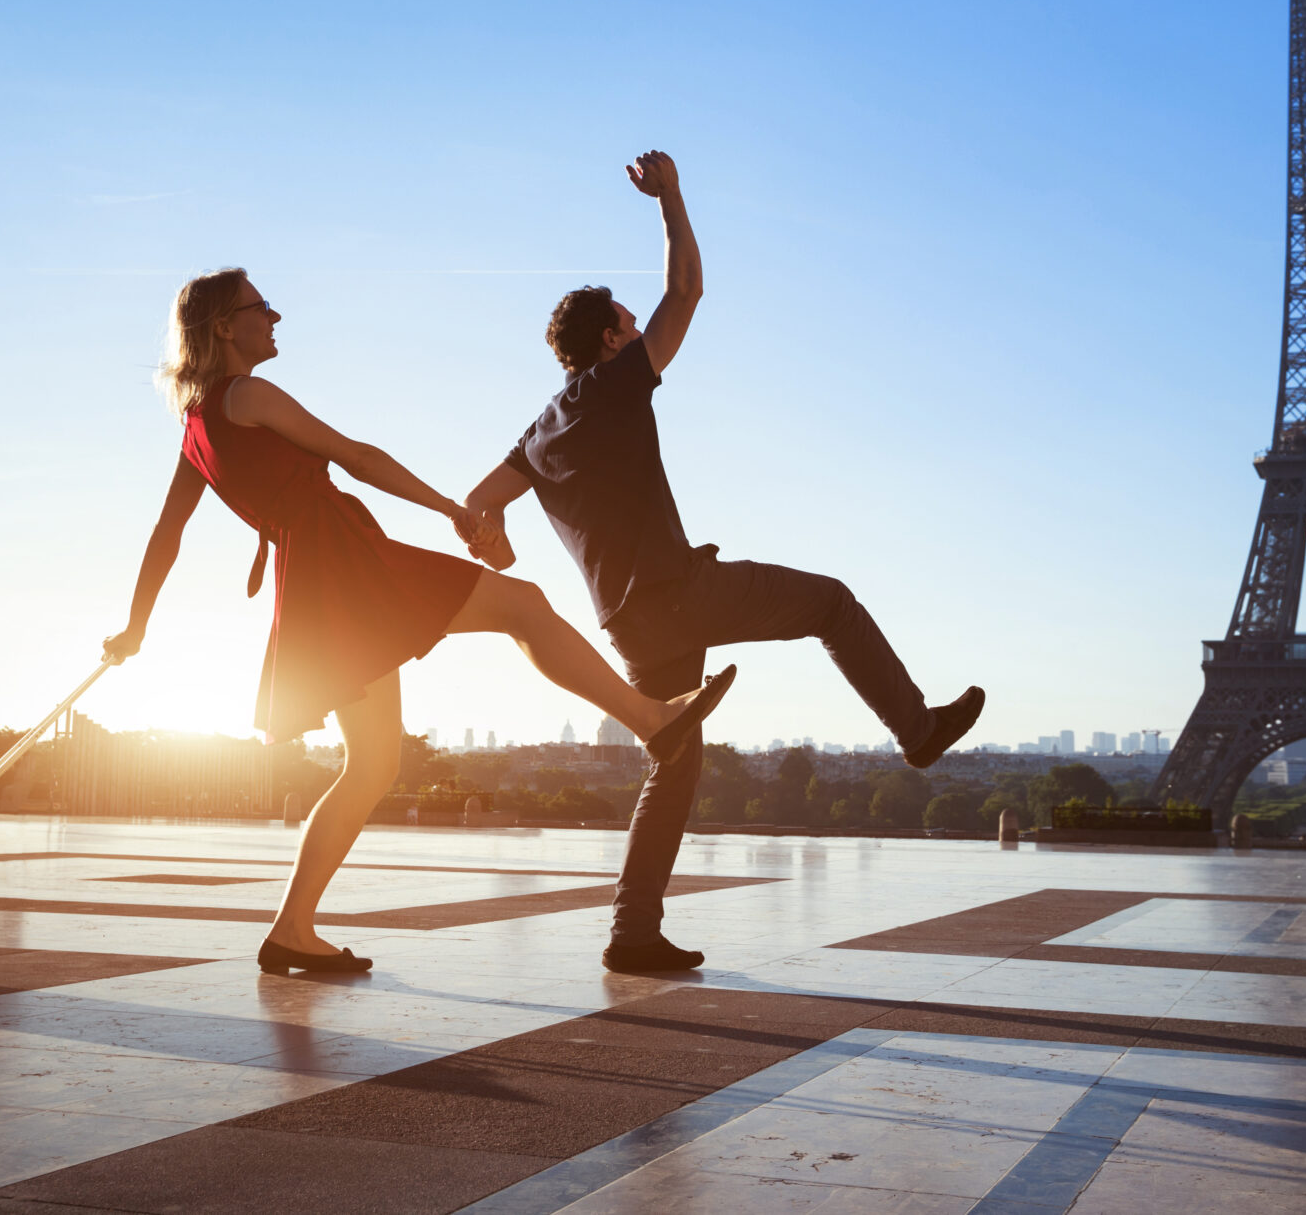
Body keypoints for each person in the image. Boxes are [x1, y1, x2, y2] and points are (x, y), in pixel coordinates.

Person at [104, 268, 734, 976]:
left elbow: (167, 531)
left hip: (316, 580)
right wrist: (453, 510)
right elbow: (358, 457)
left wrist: (136, 625)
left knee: (373, 764)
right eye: (261, 308)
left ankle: (292, 930)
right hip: (344, 563)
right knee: (522, 603)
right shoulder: (248, 394)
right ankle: (652, 719)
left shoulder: (196, 424)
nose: (276, 316)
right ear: (225, 326)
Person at [461, 151, 984, 974]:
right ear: (608, 340)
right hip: (679, 591)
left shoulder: (542, 427)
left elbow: (478, 500)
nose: (641, 338)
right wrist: (672, 201)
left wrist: (492, 536)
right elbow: (687, 294)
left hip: (625, 622)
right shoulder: (612, 386)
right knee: (832, 604)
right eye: (628, 328)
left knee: (673, 758)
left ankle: (633, 931)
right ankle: (916, 731)